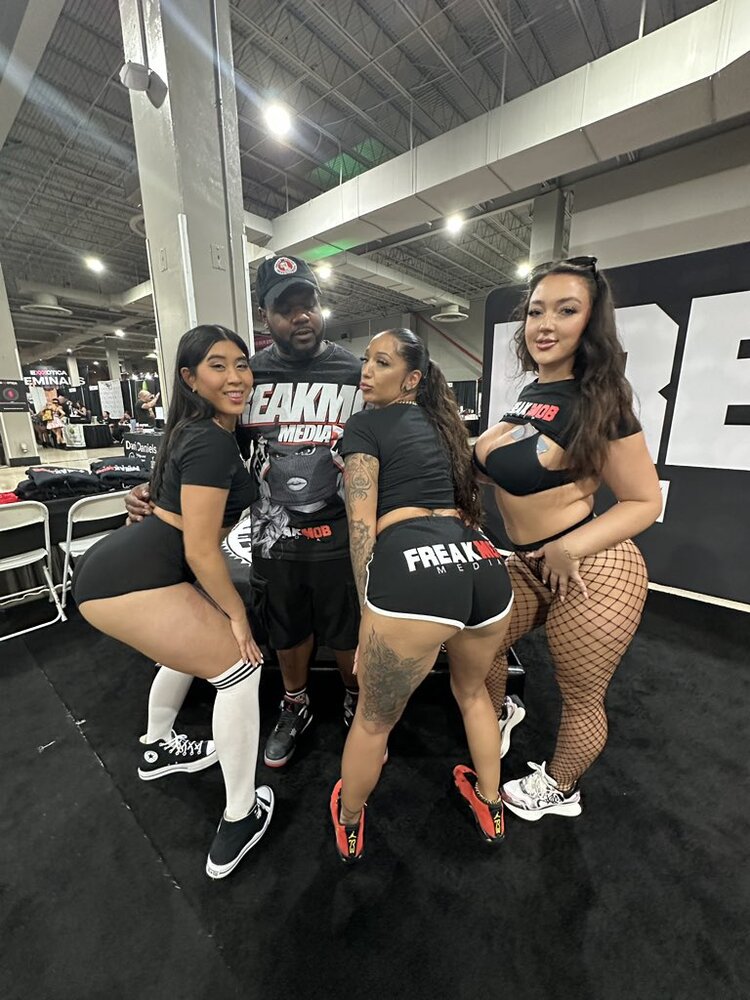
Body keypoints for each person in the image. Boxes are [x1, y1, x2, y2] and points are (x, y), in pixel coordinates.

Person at [125, 256, 364, 771]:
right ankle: (295, 704)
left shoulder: (354, 371)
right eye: (286, 308)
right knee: (286, 630)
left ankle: (355, 700)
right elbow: (201, 444)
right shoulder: (247, 376)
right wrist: (155, 491)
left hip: (343, 534)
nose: (301, 316)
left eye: (308, 304)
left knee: (349, 632)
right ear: (265, 316)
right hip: (274, 537)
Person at [71, 324, 273, 879]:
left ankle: (159, 746)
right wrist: (237, 617)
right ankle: (241, 814)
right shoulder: (208, 439)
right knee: (240, 668)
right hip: (131, 578)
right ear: (189, 377)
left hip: (130, 569)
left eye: (241, 364)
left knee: (189, 652)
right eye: (217, 365)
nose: (235, 377)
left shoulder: (198, 430)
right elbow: (201, 550)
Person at [473, 256, 662, 822]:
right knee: (479, 644)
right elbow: (502, 470)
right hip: (528, 560)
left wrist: (570, 547)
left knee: (579, 693)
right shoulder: (534, 391)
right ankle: (501, 712)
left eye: (566, 310)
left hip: (593, 567)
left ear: (591, 323)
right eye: (536, 312)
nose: (545, 324)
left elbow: (645, 502)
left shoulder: (603, 401)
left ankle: (560, 786)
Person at [330, 329, 514, 863]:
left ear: (411, 379)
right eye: (366, 359)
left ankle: (349, 819)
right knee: (474, 694)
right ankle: (491, 804)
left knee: (374, 719)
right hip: (483, 566)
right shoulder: (445, 427)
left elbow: (361, 527)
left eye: (381, 362)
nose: (366, 370)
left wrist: (367, 616)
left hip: (414, 575)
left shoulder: (364, 425)